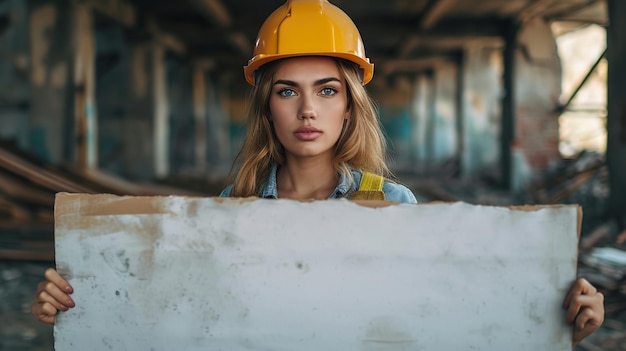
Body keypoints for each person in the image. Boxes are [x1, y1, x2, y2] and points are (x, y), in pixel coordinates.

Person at [32, 0, 604, 348]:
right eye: (288, 92)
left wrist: (555, 328)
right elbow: (187, 317)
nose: (308, 110)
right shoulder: (233, 207)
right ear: (268, 108)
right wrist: (80, 303)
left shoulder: (396, 207)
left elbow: (438, 321)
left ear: (349, 105)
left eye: (327, 91)